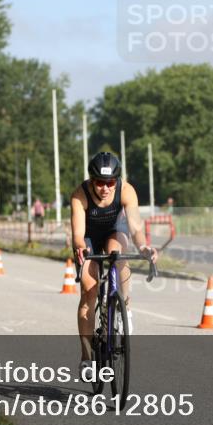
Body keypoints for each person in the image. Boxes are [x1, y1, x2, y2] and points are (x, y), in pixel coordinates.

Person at [70, 152, 157, 380]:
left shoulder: (126, 191)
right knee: (89, 291)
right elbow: (78, 234)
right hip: (88, 238)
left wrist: (145, 248)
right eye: (100, 182)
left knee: (118, 255)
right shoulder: (80, 195)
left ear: (116, 181)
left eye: (110, 183)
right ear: (91, 181)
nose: (105, 188)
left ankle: (124, 306)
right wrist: (81, 248)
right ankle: (86, 357)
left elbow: (136, 229)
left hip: (113, 232)